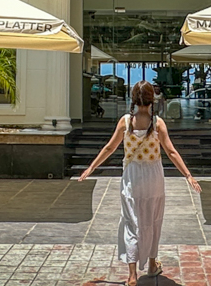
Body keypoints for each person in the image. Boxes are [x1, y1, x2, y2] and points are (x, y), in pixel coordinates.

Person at [79, 80, 201, 286]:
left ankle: (132, 275)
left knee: (131, 222)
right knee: (154, 219)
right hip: (154, 175)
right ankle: (152, 264)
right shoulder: (158, 123)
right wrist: (188, 175)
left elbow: (109, 148)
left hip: (132, 176)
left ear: (133, 99)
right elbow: (171, 151)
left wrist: (91, 167)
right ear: (152, 99)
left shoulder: (125, 122)